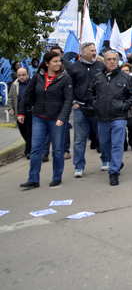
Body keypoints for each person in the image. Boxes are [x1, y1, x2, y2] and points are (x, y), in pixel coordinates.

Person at [18, 51, 73, 189]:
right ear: (47, 63)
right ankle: (33, 179)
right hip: (39, 117)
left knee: (57, 149)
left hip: (56, 119)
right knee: (36, 149)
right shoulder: (38, 76)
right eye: (55, 61)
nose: (58, 63)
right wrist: (21, 112)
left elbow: (68, 100)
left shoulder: (65, 78)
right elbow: (27, 94)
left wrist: (62, 117)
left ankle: (56, 177)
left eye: (59, 61)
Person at [89, 52, 132, 186]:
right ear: (104, 61)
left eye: (114, 59)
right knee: (104, 143)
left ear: (118, 61)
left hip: (119, 116)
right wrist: (95, 104)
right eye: (109, 59)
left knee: (117, 144)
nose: (112, 62)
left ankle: (113, 172)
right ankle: (116, 162)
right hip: (102, 117)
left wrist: (124, 105)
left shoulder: (125, 78)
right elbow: (90, 93)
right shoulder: (98, 77)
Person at [69, 42, 108, 177]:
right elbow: (69, 87)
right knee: (79, 140)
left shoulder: (101, 66)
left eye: (95, 50)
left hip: (97, 108)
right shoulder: (74, 67)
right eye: (91, 51)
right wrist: (73, 102)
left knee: (102, 136)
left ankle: (105, 160)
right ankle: (79, 167)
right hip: (80, 108)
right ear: (83, 52)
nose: (94, 53)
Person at [7, 67, 32, 159]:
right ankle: (31, 147)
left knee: (30, 132)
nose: (21, 77)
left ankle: (28, 151)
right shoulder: (15, 84)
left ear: (28, 74)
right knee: (23, 131)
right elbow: (10, 97)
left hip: (30, 112)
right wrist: (10, 108)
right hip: (19, 113)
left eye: (23, 75)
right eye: (19, 75)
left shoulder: (33, 82)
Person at [120, 63, 132, 152]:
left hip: (131, 108)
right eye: (123, 71)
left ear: (130, 71)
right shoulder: (117, 80)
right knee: (121, 128)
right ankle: (123, 144)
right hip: (120, 108)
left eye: (126, 70)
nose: (125, 72)